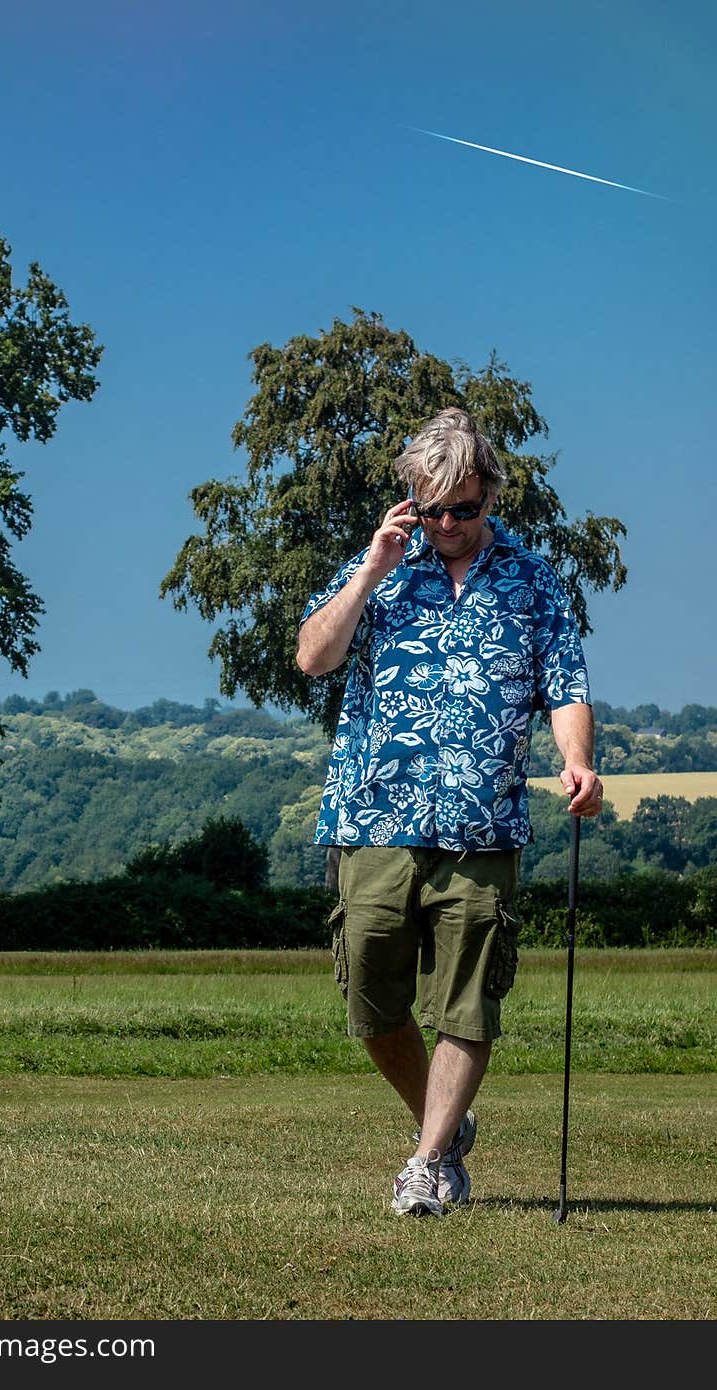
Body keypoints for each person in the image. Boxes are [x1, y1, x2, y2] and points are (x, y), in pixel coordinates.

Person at [296, 407, 603, 1217]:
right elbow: (313, 657)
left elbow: (564, 686)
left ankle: (428, 1164)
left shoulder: (534, 580)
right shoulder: (379, 567)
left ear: (490, 495)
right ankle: (449, 1125)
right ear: (412, 503)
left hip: (481, 826)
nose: (448, 525)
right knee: (370, 1001)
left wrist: (578, 762)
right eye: (433, 510)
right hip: (372, 819)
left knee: (469, 1001)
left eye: (463, 509)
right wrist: (368, 572)